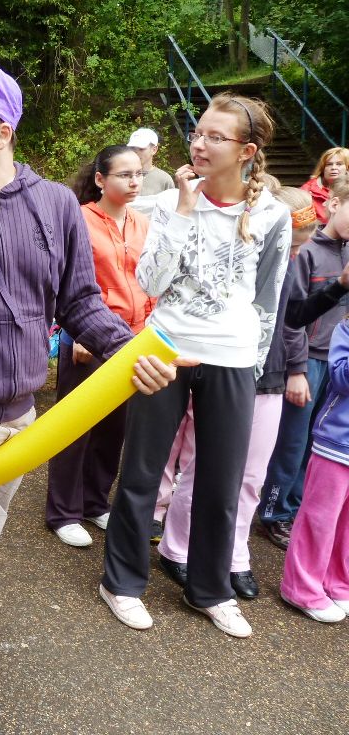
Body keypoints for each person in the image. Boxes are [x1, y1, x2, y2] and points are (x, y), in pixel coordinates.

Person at [0, 57, 181, 735]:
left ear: (3, 131)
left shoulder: (54, 205)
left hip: (21, 420)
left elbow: (80, 300)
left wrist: (128, 353)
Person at [100, 92, 291, 639]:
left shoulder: (272, 214)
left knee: (221, 480)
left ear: (246, 151)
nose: (199, 143)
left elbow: (267, 299)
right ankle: (122, 582)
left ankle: (210, 589)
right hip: (165, 348)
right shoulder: (167, 203)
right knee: (142, 472)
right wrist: (184, 212)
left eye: (215, 136)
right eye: (197, 132)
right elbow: (150, 282)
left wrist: (252, 367)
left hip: (232, 357)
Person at [156, 186, 314, 598]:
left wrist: (297, 367)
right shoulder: (234, 249)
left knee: (250, 476)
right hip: (228, 366)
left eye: (301, 243)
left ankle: (235, 554)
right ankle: (177, 547)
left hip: (271, 374)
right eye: (294, 242)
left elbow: (294, 318)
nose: (296, 250)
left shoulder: (294, 263)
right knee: (202, 467)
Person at [45, 145, 154, 547]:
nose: (134, 181)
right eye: (124, 174)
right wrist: (76, 334)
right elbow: (65, 282)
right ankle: (63, 511)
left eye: (139, 174)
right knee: (75, 428)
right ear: (100, 179)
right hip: (87, 340)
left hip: (131, 339)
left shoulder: (143, 223)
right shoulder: (79, 219)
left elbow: (149, 282)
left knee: (114, 430)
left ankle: (94, 502)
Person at [259, 175, 349, 549]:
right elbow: (290, 318)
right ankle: (274, 511)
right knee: (292, 443)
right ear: (334, 204)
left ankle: (295, 508)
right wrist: (296, 370)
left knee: (317, 443)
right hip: (308, 360)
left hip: (337, 362)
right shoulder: (305, 251)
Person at [281, 316, 349, 621]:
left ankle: (339, 584)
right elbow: (341, 377)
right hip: (336, 441)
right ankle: (301, 588)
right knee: (319, 519)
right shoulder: (345, 329)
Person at [301, 146, 349, 224]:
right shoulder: (306, 191)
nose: (333, 167)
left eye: (339, 164)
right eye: (329, 164)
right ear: (323, 169)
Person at [128, 128, 175, 196]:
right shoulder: (120, 176)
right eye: (132, 148)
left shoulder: (164, 179)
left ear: (154, 150)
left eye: (141, 149)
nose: (136, 152)